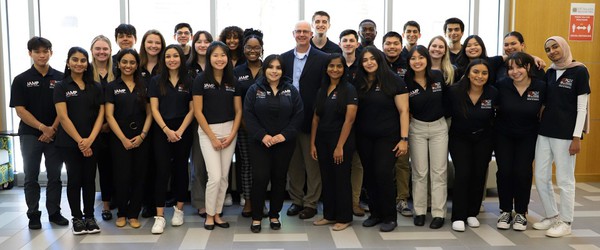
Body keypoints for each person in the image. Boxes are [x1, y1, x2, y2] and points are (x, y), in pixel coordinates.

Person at [533, 36, 590, 238]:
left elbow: (582, 107)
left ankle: (566, 222)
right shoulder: (550, 72)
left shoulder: (580, 70)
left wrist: (577, 137)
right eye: (547, 49)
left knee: (565, 180)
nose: (552, 51)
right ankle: (551, 215)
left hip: (566, 135)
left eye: (555, 46)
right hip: (544, 132)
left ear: (564, 46)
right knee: (540, 176)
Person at [9, 36, 68, 230]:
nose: (42, 55)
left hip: (56, 133)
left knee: (54, 176)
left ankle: (54, 212)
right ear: (30, 54)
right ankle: (33, 214)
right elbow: (20, 110)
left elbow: (64, 109)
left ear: (51, 52)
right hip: (30, 135)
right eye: (37, 52)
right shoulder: (21, 79)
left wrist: (52, 129)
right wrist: (43, 128)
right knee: (31, 176)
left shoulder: (61, 77)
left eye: (45, 51)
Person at [244, 54, 303, 233]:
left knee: (279, 178)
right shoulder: (254, 89)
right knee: (260, 179)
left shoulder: (291, 90)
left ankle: (275, 215)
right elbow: (248, 115)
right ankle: (256, 217)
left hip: (283, 143)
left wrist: (283, 135)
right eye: (271, 67)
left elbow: (299, 115)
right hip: (259, 143)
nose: (274, 71)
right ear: (265, 69)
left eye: (278, 68)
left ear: (282, 71)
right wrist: (263, 136)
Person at [354, 46, 409, 232]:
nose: (369, 62)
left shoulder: (394, 81)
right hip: (364, 137)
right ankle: (375, 214)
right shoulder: (358, 81)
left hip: (388, 137)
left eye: (372, 59)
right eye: (365, 60)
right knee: (369, 176)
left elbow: (404, 111)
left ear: (379, 59)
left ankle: (390, 217)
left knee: (383, 173)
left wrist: (404, 139)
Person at [54, 47, 104, 235]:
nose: (79, 63)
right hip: (69, 143)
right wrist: (80, 141)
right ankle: (77, 218)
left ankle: (90, 216)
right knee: (74, 180)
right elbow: (63, 117)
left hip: (92, 141)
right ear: (68, 62)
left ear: (87, 64)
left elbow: (101, 114)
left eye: (83, 60)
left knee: (89, 180)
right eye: (75, 60)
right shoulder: (61, 86)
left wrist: (90, 140)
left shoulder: (95, 86)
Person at [192, 41, 242, 230]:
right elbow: (198, 112)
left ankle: (218, 213)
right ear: (209, 57)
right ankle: (209, 215)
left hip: (229, 131)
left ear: (227, 58)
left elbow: (238, 111)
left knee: (224, 177)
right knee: (214, 176)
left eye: (223, 55)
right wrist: (212, 137)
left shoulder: (233, 80)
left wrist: (232, 135)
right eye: (215, 55)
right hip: (207, 131)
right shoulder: (200, 80)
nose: (219, 59)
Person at [281, 20, 328, 220]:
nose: (301, 34)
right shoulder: (283, 59)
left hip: (312, 118)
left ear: (311, 34)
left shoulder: (323, 58)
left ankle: (310, 203)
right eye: (298, 31)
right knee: (294, 164)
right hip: (288, 120)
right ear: (293, 34)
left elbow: (324, 88)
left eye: (305, 31)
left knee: (312, 163)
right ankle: (296, 200)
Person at [494, 52, 545, 231]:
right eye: (511, 68)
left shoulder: (540, 86)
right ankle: (505, 210)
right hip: (503, 135)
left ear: (528, 67)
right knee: (505, 171)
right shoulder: (501, 85)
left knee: (523, 173)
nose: (515, 71)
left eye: (519, 67)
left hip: (528, 135)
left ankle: (521, 212)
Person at [148, 45, 194, 234]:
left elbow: (193, 109)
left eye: (176, 56)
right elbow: (154, 109)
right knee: (162, 170)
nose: (172, 59)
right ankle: (159, 217)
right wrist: (167, 130)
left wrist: (180, 130)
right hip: (161, 130)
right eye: (168, 56)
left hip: (183, 129)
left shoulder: (189, 80)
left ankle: (179, 210)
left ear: (181, 59)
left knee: (181, 169)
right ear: (163, 59)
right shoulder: (156, 81)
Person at [447, 59, 497, 232]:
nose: (479, 76)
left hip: (484, 139)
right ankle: (458, 216)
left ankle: (472, 214)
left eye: (484, 73)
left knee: (478, 174)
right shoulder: (454, 91)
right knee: (463, 174)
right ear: (468, 73)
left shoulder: (492, 92)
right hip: (459, 139)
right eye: (476, 72)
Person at [104, 49, 152, 229]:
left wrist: (143, 135)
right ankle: (122, 213)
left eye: (132, 62)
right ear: (118, 64)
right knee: (122, 176)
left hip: (141, 137)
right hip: (119, 139)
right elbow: (109, 116)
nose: (128, 66)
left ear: (137, 64)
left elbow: (150, 113)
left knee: (139, 176)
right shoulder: (111, 86)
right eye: (124, 62)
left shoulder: (144, 85)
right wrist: (123, 138)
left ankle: (134, 214)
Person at [310, 54, 357, 231]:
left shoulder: (349, 89)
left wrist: (339, 146)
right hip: (322, 140)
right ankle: (329, 215)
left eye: (339, 66)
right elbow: (316, 119)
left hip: (341, 141)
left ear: (344, 68)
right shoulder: (322, 89)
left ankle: (344, 217)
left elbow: (349, 120)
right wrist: (312, 143)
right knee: (327, 178)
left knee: (341, 179)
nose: (335, 69)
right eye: (331, 66)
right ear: (326, 68)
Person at [404, 45, 448, 229]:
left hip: (439, 127)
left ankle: (438, 213)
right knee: (420, 172)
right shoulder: (405, 81)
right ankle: (420, 211)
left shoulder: (437, 76)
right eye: (413, 58)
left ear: (427, 59)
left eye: (420, 57)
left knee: (439, 172)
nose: (417, 61)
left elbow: (447, 99)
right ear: (409, 62)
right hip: (417, 128)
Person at [380, 31, 411, 217]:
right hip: (382, 120)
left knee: (402, 161)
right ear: (382, 45)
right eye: (388, 43)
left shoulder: (409, 63)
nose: (391, 47)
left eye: (395, 43)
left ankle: (402, 199)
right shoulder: (376, 63)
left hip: (404, 118)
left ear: (401, 45)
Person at [234, 28, 264, 217]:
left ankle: (261, 200)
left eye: (256, 47)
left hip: (267, 128)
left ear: (262, 48)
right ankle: (249, 201)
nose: (252, 51)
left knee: (263, 166)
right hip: (244, 127)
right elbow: (235, 101)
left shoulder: (269, 67)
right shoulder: (237, 71)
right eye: (248, 47)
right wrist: (246, 125)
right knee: (246, 164)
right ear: (243, 49)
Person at [138, 29, 166, 219]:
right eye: (150, 42)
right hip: (139, 121)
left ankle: (156, 203)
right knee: (143, 165)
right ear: (144, 44)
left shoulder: (166, 66)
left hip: (161, 122)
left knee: (158, 166)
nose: (153, 46)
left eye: (157, 42)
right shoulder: (135, 64)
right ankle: (144, 202)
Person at [90, 35, 117, 221]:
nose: (101, 52)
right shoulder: (85, 72)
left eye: (105, 49)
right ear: (92, 51)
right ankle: (105, 205)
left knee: (114, 168)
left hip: (115, 129)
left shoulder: (118, 71)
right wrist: (99, 125)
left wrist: (109, 123)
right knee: (99, 169)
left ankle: (119, 200)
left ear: (110, 51)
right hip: (92, 130)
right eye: (98, 48)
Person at [338, 29, 365, 216]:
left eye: (351, 40)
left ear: (357, 43)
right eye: (344, 40)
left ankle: (355, 202)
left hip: (361, 121)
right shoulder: (334, 64)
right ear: (339, 44)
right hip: (336, 121)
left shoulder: (364, 65)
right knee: (338, 163)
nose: (348, 43)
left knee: (357, 164)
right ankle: (338, 201)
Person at [187, 30, 213, 218]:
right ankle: (199, 202)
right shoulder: (187, 67)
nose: (203, 45)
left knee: (214, 166)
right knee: (198, 165)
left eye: (207, 41)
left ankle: (214, 200)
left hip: (217, 122)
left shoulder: (218, 65)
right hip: (193, 121)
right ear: (194, 44)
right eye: (199, 41)